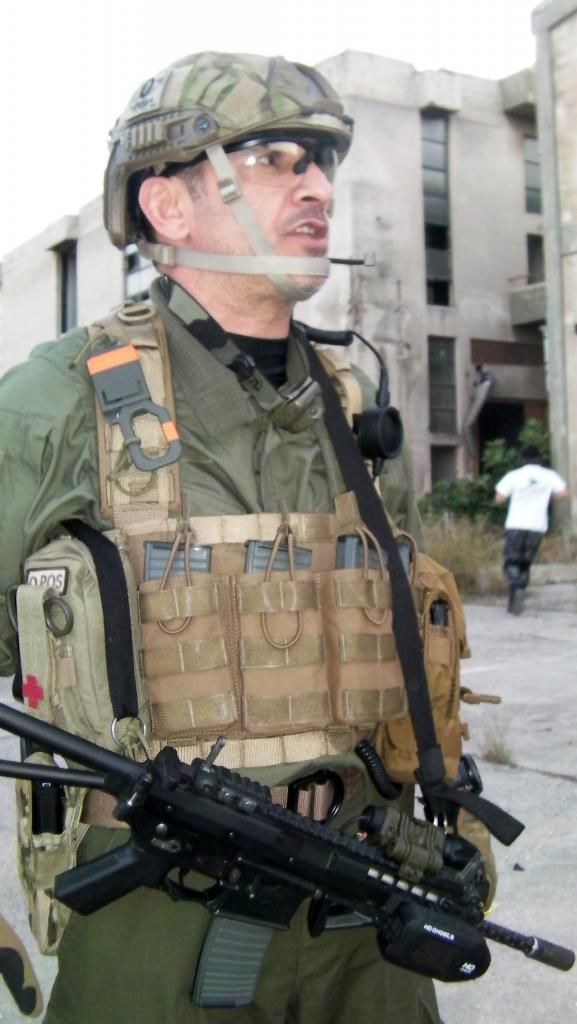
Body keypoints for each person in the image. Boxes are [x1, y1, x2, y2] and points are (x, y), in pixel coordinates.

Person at [0, 52, 475, 1024]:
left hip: (361, 891)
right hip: (156, 906)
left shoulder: (351, 402)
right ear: (168, 205)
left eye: (320, 163)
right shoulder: (56, 403)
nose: (317, 188)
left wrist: (445, 808)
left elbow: (399, 621)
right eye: (271, 159)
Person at [495, 443, 569, 614]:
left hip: (516, 524)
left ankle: (518, 587)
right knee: (524, 564)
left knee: (511, 562)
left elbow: (499, 498)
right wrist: (547, 498)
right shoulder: (549, 475)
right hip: (537, 526)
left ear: (522, 459)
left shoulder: (514, 475)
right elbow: (565, 493)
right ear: (538, 458)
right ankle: (515, 604)